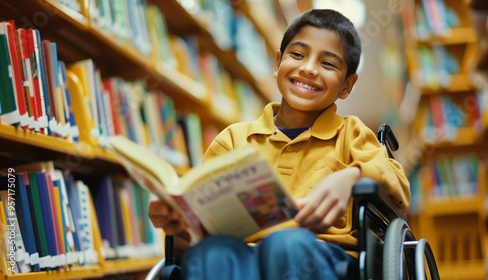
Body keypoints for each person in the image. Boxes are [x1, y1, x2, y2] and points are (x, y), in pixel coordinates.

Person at [148, 8, 410, 280]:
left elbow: (398, 184)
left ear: (347, 85)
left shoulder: (351, 133)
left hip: (319, 256)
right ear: (277, 63)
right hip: (242, 257)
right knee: (209, 254)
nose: (308, 68)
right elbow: (195, 234)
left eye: (328, 63)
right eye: (297, 54)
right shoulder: (233, 140)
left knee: (284, 244)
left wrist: (352, 176)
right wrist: (176, 222)